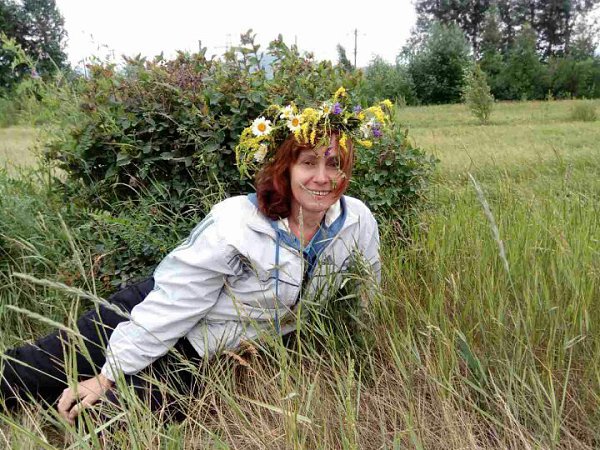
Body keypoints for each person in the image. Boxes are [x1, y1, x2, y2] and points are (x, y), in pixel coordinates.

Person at [0, 88, 386, 424]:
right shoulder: (238, 223)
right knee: (32, 370)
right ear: (285, 168)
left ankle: (62, 406)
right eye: (309, 162)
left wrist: (361, 352)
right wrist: (108, 374)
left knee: (102, 422)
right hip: (155, 306)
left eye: (334, 163)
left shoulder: (357, 222)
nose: (322, 177)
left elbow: (365, 293)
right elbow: (176, 303)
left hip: (199, 348)